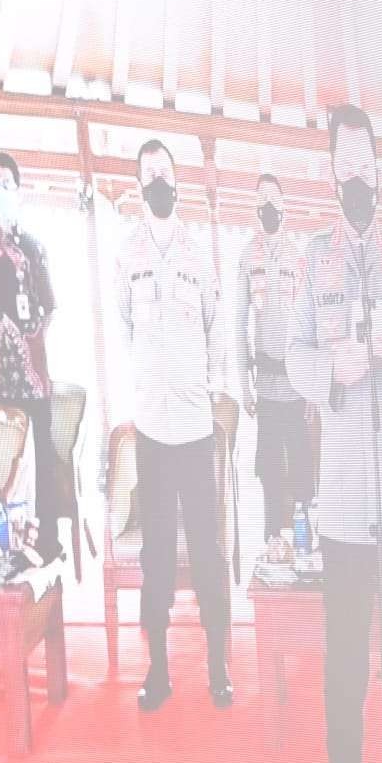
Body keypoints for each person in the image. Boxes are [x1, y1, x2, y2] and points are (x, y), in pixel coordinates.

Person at [286, 104, 382, 763]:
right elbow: (293, 358)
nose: (358, 175)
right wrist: (330, 370)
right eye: (346, 163)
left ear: (379, 170)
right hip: (344, 505)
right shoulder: (312, 258)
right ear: (331, 171)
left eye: (367, 163)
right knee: (345, 666)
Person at [115, 138, 232, 711]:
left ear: (176, 181)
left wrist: (214, 394)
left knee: (207, 550)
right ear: (139, 184)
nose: (156, 181)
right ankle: (157, 670)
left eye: (164, 172)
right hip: (153, 430)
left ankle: (218, 668)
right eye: (147, 174)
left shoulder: (199, 253)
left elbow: (217, 330)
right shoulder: (128, 253)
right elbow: (123, 327)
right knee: (156, 552)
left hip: (195, 424)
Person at [0, 152, 64, 563]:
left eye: (5, 183)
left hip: (33, 364)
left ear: (18, 189)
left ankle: (45, 541)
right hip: (0, 368)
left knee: (39, 455)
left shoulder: (35, 246)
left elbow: (51, 306)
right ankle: (6, 543)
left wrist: (32, 337)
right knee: (2, 457)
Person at [235, 173, 312, 542]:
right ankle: (272, 545)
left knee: (301, 472)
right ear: (256, 209)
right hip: (264, 387)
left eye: (274, 200)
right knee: (268, 471)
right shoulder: (246, 257)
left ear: (285, 207)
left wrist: (313, 385)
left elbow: (310, 323)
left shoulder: (299, 257)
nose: (268, 207)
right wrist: (243, 386)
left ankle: (306, 546)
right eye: (261, 200)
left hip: (297, 385)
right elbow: (237, 321)